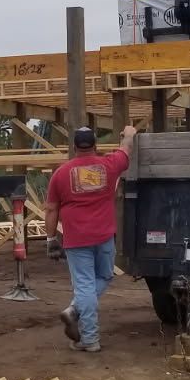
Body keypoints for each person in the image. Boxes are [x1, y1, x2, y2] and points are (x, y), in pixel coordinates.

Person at [46, 124, 138, 352]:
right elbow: (126, 148)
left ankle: (86, 332)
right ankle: (82, 325)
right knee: (104, 276)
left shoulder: (61, 173)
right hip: (104, 235)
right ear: (95, 145)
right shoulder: (109, 165)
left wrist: (50, 239)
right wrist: (128, 133)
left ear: (74, 146)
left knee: (85, 285)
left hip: (76, 239)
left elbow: (51, 209)